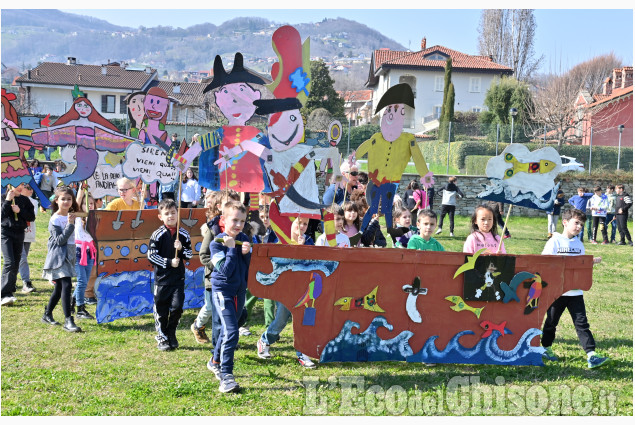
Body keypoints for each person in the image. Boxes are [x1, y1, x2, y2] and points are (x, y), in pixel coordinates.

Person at [540, 208, 609, 369]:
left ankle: (591, 355)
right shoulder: (554, 241)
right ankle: (545, 348)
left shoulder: (578, 244)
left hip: (575, 292)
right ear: (565, 222)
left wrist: (589, 263)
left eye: (582, 224)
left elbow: (580, 267)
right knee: (551, 322)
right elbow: (544, 262)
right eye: (576, 222)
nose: (579, 226)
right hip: (557, 291)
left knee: (582, 323)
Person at [257, 216, 317, 369]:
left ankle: (303, 352)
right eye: (299, 223)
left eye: (305, 224)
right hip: (285, 288)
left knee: (305, 320)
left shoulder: (309, 241)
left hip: (304, 288)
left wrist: (304, 248)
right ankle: (265, 340)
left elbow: (312, 263)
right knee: (281, 319)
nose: (302, 227)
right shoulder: (280, 240)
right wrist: (296, 248)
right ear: (291, 223)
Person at [207, 201, 251, 393]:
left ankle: (215, 360)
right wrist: (232, 249)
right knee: (232, 331)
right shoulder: (216, 244)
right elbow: (225, 271)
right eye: (234, 220)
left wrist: (247, 253)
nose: (239, 225)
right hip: (222, 291)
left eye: (242, 220)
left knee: (229, 329)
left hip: (239, 291)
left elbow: (246, 268)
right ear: (223, 220)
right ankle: (226, 376)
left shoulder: (244, 238)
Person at [148, 198, 193, 351]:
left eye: (173, 212)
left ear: (178, 213)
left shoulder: (184, 234)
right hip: (162, 279)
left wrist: (180, 249)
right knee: (161, 309)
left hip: (178, 278)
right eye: (167, 213)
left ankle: (171, 332)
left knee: (177, 307)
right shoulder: (157, 234)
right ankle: (162, 337)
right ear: (161, 216)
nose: (171, 216)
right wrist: (168, 262)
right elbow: (151, 256)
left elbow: (190, 254)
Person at [41, 187, 81, 332]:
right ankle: (68, 320)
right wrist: (70, 224)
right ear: (56, 200)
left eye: (69, 199)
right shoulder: (55, 219)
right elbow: (59, 241)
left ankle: (47, 314)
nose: (66, 201)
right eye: (63, 199)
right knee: (66, 285)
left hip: (71, 254)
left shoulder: (73, 215)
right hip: (59, 255)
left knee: (59, 288)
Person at [1, 183, 36, 306]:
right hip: (6, 233)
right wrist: (7, 201)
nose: (21, 187)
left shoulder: (24, 200)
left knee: (16, 263)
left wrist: (20, 211)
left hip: (20, 233)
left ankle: (10, 291)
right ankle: (3, 293)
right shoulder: (2, 197)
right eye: (18, 184)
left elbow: (32, 217)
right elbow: (1, 215)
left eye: (23, 184)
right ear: (10, 185)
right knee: (9, 262)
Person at [73, 189, 97, 320]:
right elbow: (76, 204)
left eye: (92, 203)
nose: (90, 206)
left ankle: (72, 301)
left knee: (85, 280)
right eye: (86, 203)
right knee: (82, 281)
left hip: (89, 252)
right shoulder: (77, 217)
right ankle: (80, 308)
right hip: (78, 252)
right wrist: (81, 190)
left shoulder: (95, 218)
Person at [18, 184, 39, 293]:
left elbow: (31, 217)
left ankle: (10, 280)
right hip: (17, 234)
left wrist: (19, 211)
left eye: (31, 188)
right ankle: (26, 282)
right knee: (22, 259)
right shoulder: (14, 200)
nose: (31, 190)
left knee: (20, 259)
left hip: (28, 234)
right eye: (28, 188)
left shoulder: (34, 202)